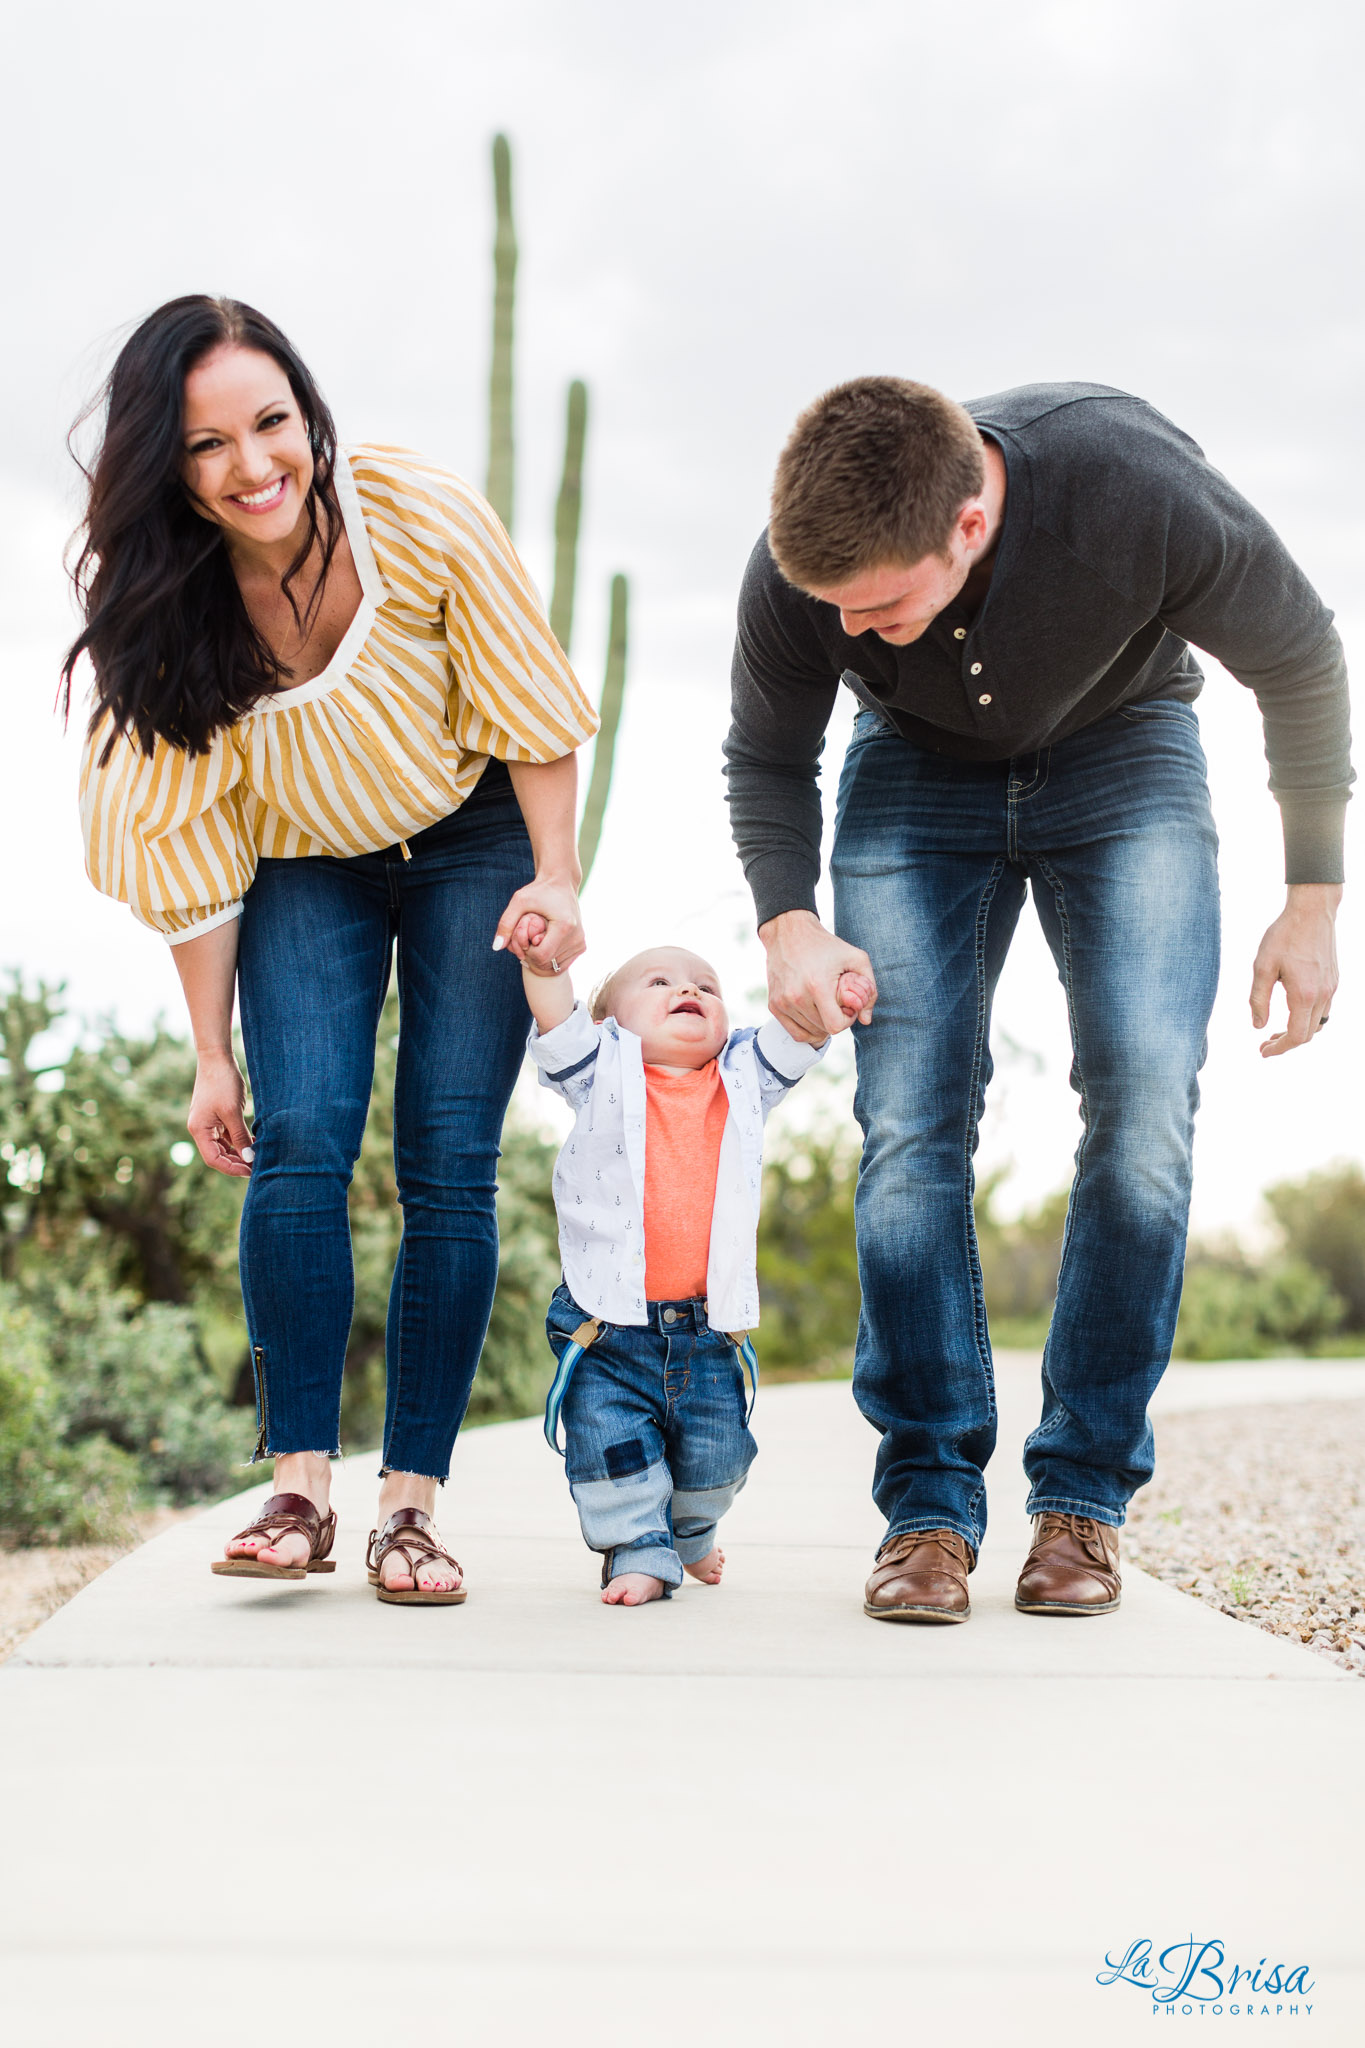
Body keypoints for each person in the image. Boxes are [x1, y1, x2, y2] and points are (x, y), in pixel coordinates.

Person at [724, 377, 1351, 1625]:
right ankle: (928, 1509)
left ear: (969, 524)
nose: (857, 630)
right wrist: (788, 917)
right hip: (913, 777)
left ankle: (1081, 1504)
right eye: (838, 610)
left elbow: (1302, 655)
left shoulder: (1132, 487)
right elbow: (767, 752)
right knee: (909, 1126)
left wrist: (1315, 899)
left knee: (1144, 1112)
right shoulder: (801, 568)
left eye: (881, 606)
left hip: (1127, 752)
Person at [67, 295, 599, 1606]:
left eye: (271, 423)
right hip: (306, 861)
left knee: (447, 1165)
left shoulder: (409, 513)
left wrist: (555, 876)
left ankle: (409, 1509)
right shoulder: (166, 616)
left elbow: (527, 695)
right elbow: (186, 849)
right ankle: (299, 1486)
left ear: (308, 415)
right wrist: (207, 1054)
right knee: (300, 1136)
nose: (253, 467)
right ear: (164, 465)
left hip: (471, 833)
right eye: (206, 446)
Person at [519, 941, 864, 1603]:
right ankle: (636, 1548)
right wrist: (545, 965)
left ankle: (690, 1532)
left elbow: (794, 1037)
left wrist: (830, 1003)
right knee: (610, 1444)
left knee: (718, 1459)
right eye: (659, 981)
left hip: (708, 1329)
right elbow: (558, 1022)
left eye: (707, 986)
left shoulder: (739, 1077)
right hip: (607, 1326)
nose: (691, 991)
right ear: (610, 1025)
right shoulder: (600, 1072)